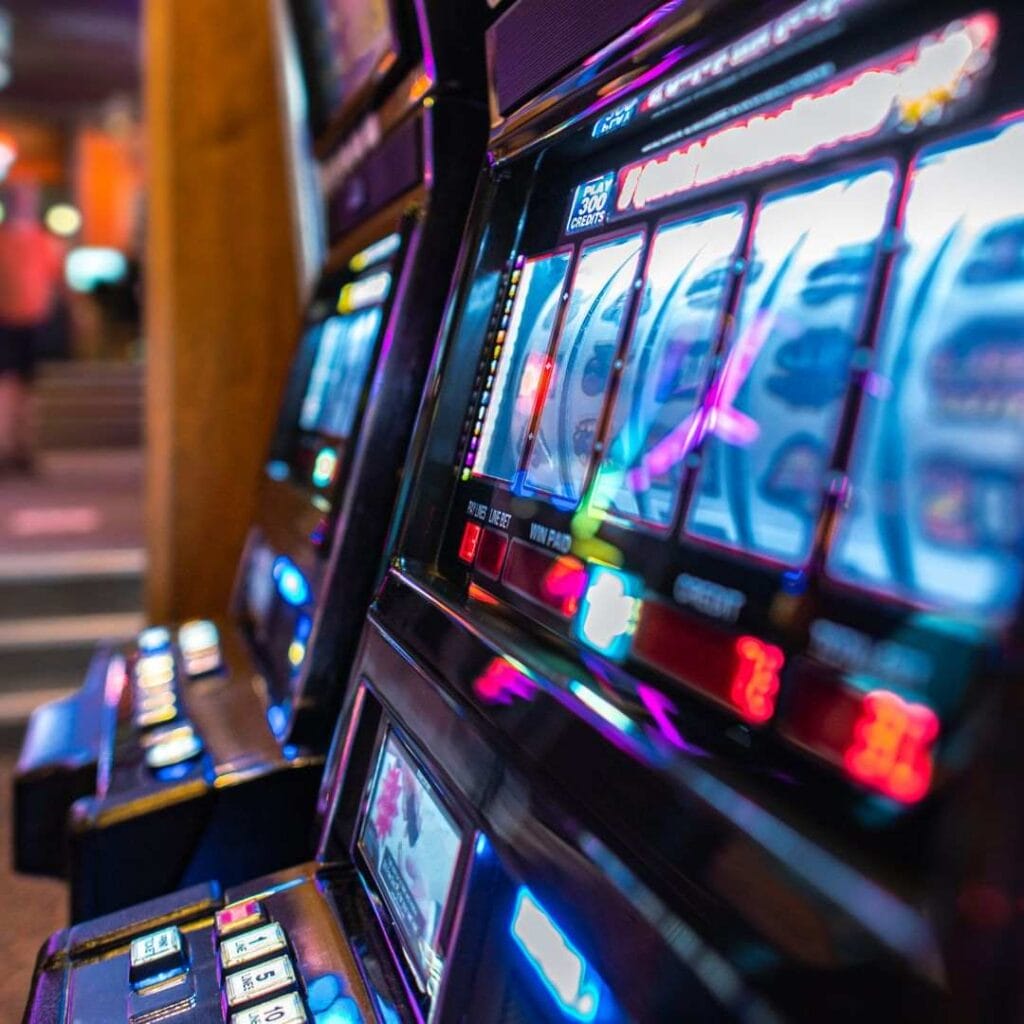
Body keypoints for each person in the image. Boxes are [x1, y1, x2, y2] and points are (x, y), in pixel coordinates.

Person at [0, 183, 65, 473]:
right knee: (8, 386)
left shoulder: (43, 240)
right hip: (5, 320)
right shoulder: (3, 240)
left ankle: (24, 448)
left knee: (28, 388)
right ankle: (6, 446)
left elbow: (56, 278)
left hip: (34, 320)